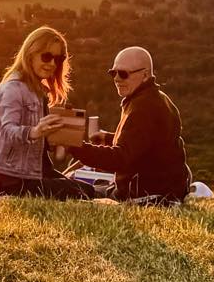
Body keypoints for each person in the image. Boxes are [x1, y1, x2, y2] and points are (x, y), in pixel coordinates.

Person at [48, 46, 192, 203]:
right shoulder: (157, 99)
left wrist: (75, 147)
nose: (116, 78)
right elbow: (146, 145)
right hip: (165, 188)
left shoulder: (144, 108)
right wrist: (110, 138)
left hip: (145, 193)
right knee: (80, 184)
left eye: (123, 74)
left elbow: (120, 159)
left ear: (144, 75)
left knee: (68, 189)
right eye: (113, 73)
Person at [0, 26, 90, 199]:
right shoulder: (14, 88)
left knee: (85, 189)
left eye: (58, 59)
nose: (52, 64)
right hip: (11, 180)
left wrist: (60, 135)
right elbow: (7, 131)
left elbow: (39, 143)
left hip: (29, 173)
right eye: (46, 57)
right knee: (84, 193)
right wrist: (34, 132)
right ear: (30, 54)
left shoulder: (36, 90)